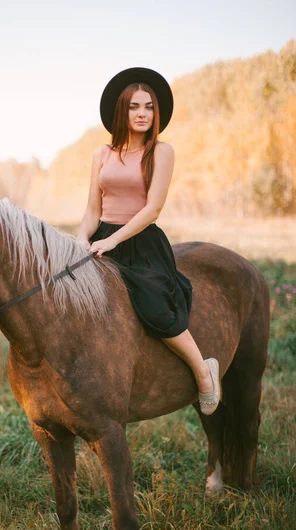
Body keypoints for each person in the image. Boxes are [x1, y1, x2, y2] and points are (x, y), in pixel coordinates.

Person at [77, 67, 220, 415]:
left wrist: (114, 243)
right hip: (100, 238)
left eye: (149, 107)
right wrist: (82, 237)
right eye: (134, 107)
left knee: (156, 307)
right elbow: (92, 208)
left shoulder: (161, 152)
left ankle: (204, 372)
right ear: (121, 111)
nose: (142, 113)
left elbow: (152, 209)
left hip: (140, 242)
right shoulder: (102, 154)